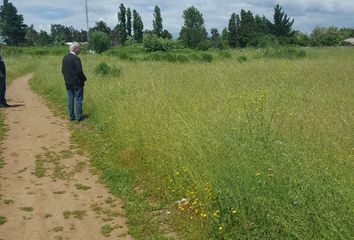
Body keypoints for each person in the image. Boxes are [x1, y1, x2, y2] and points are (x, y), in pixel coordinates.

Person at [62, 42, 87, 121]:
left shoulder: (65, 57)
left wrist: (67, 78)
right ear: (75, 49)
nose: (80, 50)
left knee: (70, 98)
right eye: (79, 48)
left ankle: (71, 117)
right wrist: (84, 79)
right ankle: (79, 117)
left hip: (68, 82)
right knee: (78, 99)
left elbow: (62, 70)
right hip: (77, 83)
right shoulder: (76, 59)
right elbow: (79, 72)